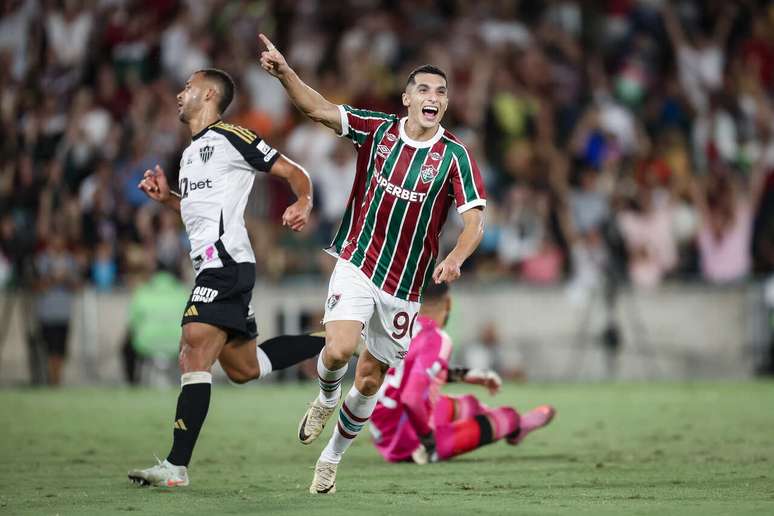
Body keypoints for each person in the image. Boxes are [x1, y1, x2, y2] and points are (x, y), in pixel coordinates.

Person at [259, 34, 488, 494]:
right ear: (406, 99)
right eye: (424, 89)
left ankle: (331, 459)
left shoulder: (455, 157)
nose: (433, 97)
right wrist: (286, 73)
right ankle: (325, 399)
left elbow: (475, 222)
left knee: (368, 379)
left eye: (441, 92)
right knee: (340, 348)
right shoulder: (377, 130)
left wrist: (457, 257)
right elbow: (320, 109)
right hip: (359, 260)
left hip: (405, 286)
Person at [128, 68, 325, 487]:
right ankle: (338, 344)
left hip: (227, 266)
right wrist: (168, 200)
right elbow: (199, 213)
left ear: (210, 93)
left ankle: (176, 466)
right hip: (215, 266)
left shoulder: (233, 137)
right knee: (244, 368)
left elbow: (295, 172)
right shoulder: (187, 155)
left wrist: (303, 201)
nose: (180, 94)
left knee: (192, 346)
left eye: (187, 87)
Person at [370, 283, 555, 464]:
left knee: (469, 405)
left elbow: (408, 373)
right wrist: (428, 439)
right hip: (409, 443)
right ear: (448, 303)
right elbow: (411, 398)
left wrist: (466, 375)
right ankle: (517, 426)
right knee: (508, 416)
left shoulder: (399, 327)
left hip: (384, 429)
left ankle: (516, 427)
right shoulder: (437, 338)